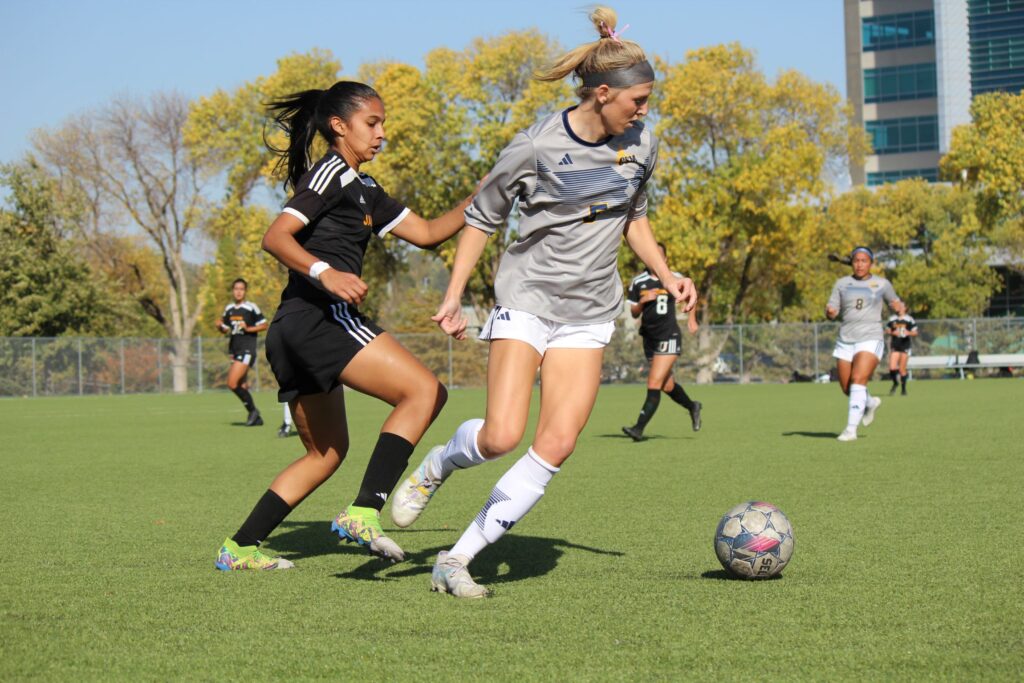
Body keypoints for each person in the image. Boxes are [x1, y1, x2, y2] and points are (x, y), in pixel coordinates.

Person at [389, 7, 697, 597]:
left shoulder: (642, 144)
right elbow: (481, 220)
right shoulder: (535, 146)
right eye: (638, 99)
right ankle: (439, 465)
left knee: (555, 443)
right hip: (527, 299)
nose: (645, 109)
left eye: (649, 99)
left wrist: (667, 271)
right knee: (502, 434)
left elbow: (633, 217)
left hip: (589, 313)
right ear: (603, 93)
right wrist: (454, 297)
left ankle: (456, 559)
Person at [215, 80, 476, 571]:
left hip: (293, 329)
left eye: (382, 124)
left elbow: (425, 233)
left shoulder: (366, 189)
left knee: (327, 453)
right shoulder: (332, 172)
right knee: (425, 392)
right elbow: (276, 237)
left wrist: (481, 197)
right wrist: (326, 273)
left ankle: (240, 547)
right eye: (372, 123)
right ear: (339, 126)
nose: (381, 134)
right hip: (319, 317)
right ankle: (364, 510)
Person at [621, 243, 702, 441]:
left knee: (654, 382)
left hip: (669, 335)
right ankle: (693, 406)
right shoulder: (639, 282)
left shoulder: (674, 277)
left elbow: (690, 296)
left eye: (659, 256)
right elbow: (633, 312)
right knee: (666, 386)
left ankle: (638, 429)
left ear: (664, 259)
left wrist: (692, 319)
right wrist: (642, 301)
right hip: (649, 338)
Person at [825, 246, 902, 442]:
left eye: (864, 260)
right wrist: (831, 312)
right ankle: (869, 402)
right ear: (852, 262)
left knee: (858, 380)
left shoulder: (881, 284)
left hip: (870, 337)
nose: (860, 264)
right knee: (847, 388)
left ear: (871, 263)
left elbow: (895, 302)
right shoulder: (842, 284)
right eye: (856, 260)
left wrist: (898, 306)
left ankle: (851, 430)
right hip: (845, 339)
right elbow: (832, 309)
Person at [217, 278, 267, 426]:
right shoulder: (229, 308)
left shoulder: (251, 307)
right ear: (233, 291)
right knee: (242, 385)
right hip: (235, 349)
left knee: (232, 384)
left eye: (241, 289)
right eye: (236, 289)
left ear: (245, 291)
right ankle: (255, 418)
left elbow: (264, 325)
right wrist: (220, 326)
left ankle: (253, 411)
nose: (238, 291)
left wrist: (249, 329)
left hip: (247, 350)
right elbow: (225, 329)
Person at [886, 301, 917, 396]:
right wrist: (892, 332)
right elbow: (887, 330)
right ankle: (895, 383)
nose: (898, 307)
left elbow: (915, 332)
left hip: (905, 345)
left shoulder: (909, 319)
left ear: (904, 308)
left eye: (901, 305)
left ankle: (903, 389)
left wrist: (908, 333)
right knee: (892, 368)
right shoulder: (892, 319)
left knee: (902, 369)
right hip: (895, 345)